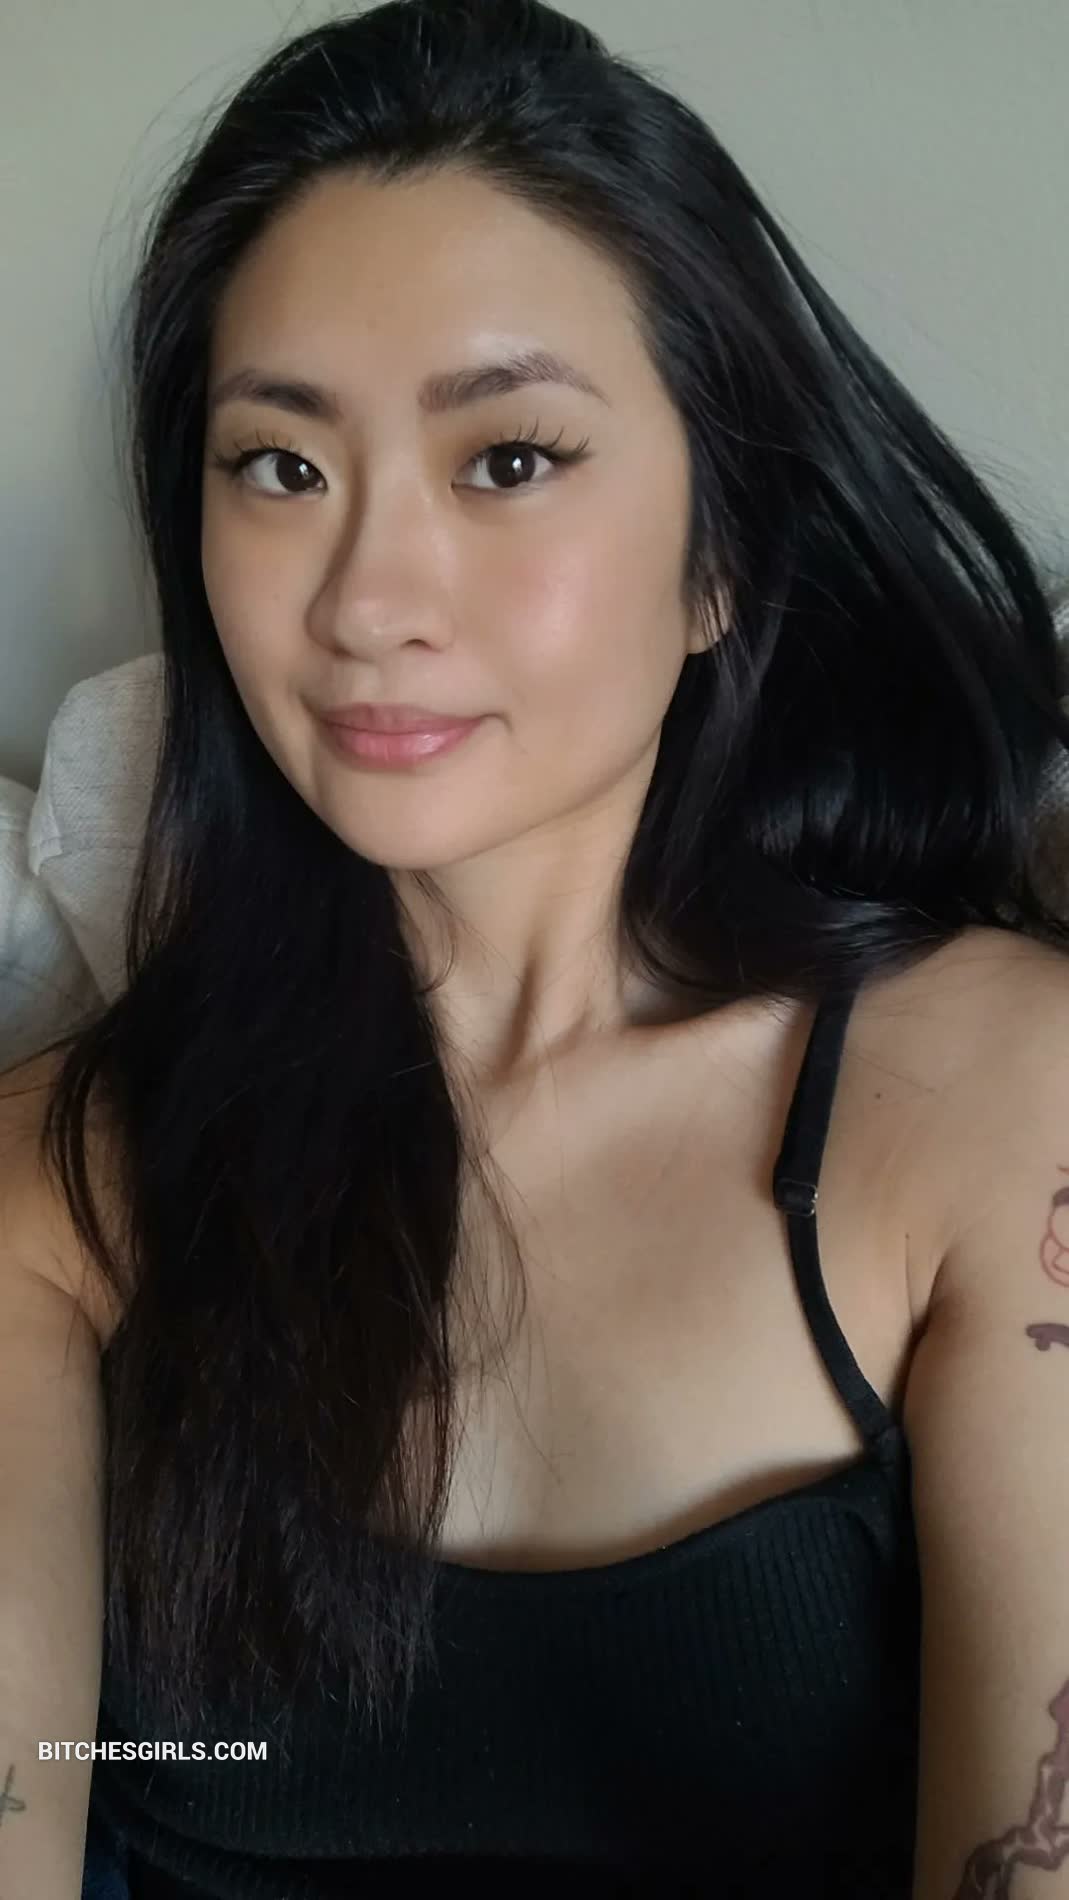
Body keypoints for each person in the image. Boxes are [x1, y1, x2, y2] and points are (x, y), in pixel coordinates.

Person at [2, 1, 1068, 1895]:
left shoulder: (995, 1106)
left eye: (506, 459)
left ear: (720, 553)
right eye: (279, 466)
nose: (366, 600)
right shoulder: (63, 1188)